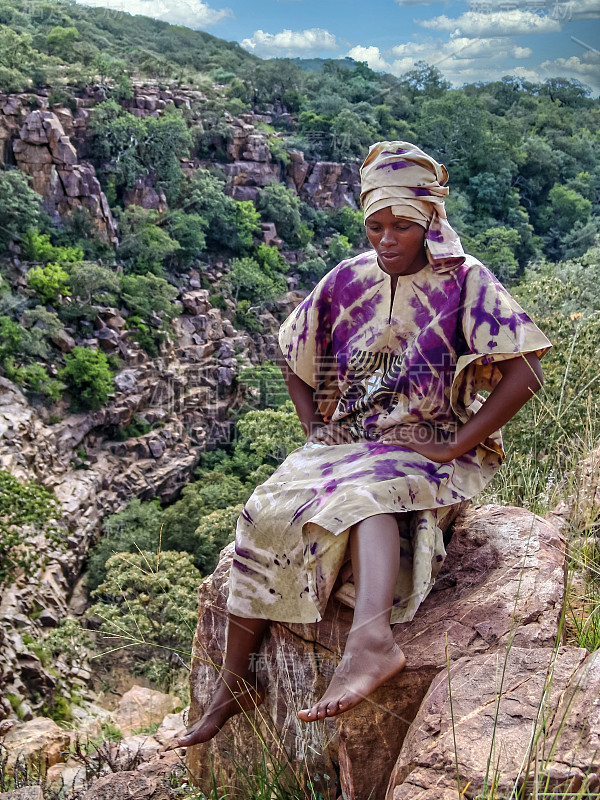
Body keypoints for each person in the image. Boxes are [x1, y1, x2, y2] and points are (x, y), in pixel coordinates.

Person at [176, 140, 552, 747]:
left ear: (430, 220)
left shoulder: (465, 281)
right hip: (348, 442)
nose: (387, 239)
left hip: (421, 448)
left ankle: (370, 642)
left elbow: (526, 369)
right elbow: (294, 351)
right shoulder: (347, 279)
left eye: (403, 224)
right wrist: (313, 426)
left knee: (367, 497)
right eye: (376, 224)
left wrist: (457, 443)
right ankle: (234, 682)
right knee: (262, 510)